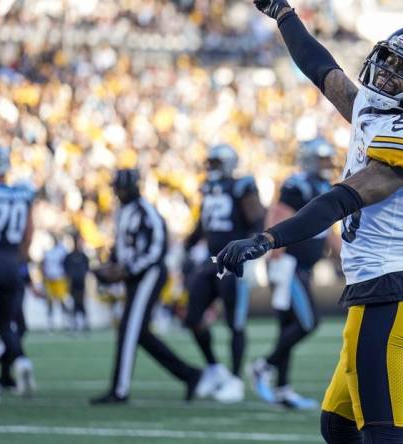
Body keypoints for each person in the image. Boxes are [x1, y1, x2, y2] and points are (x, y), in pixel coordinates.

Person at [218, 1, 403, 441]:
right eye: (387, 61)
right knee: (338, 426)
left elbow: (339, 201)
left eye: (402, 72)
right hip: (377, 295)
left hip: (391, 299)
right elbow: (321, 69)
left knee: (381, 436)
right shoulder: (376, 111)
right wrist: (283, 13)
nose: (385, 74)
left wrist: (268, 238)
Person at [90, 169, 204, 405]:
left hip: (148, 274)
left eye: (121, 188)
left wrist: (126, 269)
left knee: (128, 330)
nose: (118, 192)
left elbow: (156, 249)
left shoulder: (146, 211)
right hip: (136, 275)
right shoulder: (123, 211)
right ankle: (189, 374)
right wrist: (110, 265)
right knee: (140, 333)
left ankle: (119, 391)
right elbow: (121, 246)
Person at [249, 137, 340, 409]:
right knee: (308, 322)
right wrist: (275, 259)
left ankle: (283, 388)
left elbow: (328, 234)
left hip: (303, 268)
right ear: (310, 159)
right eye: (322, 158)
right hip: (288, 265)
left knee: (288, 326)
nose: (327, 164)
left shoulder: (323, 186)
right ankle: (264, 366)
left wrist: (350, 259)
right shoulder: (296, 184)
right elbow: (278, 218)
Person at [183, 144, 265, 403]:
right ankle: (215, 369)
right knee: (192, 317)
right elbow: (204, 224)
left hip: (234, 260)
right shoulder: (207, 188)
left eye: (216, 163)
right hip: (210, 260)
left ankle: (235, 380)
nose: (211, 168)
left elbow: (256, 220)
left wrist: (253, 253)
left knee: (235, 323)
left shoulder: (242, 186)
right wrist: (185, 245)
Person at [0, 146, 35, 398]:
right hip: (13, 263)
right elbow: (29, 232)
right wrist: (19, 259)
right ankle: (21, 362)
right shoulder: (21, 194)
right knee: (5, 322)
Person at [42, 234, 70, 330]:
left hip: (60, 278)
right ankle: (50, 322)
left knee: (62, 300)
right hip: (49, 279)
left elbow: (66, 263)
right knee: (49, 302)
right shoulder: (48, 252)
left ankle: (65, 321)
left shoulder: (61, 251)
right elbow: (43, 265)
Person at [64, 232, 90, 332]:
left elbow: (87, 269)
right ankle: (74, 324)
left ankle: (83, 323)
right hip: (72, 283)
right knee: (74, 303)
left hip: (81, 283)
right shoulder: (69, 256)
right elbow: (66, 269)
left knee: (81, 302)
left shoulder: (83, 256)